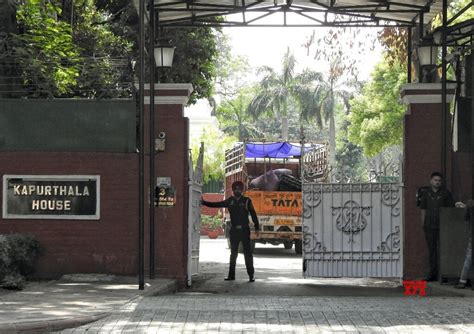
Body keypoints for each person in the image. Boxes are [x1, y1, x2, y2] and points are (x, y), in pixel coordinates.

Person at [201, 181, 260, 282]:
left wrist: (257, 228)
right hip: (234, 231)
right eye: (236, 189)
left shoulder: (247, 201)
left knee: (248, 254)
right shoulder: (230, 201)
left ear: (242, 190)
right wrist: (205, 203)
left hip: (245, 231)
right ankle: (231, 276)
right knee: (233, 254)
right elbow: (217, 204)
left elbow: (253, 214)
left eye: (239, 189)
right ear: (233, 190)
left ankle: (251, 276)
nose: (237, 191)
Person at [419, 172, 463, 281]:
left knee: (444, 250)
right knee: (432, 251)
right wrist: (423, 224)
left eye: (439, 180)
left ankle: (444, 275)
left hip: (443, 227)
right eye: (435, 180)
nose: (437, 182)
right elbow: (423, 209)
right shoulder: (426, 194)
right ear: (431, 181)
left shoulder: (446, 193)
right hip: (429, 226)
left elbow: (450, 209)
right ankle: (432, 275)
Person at [454, 200, 474, 289]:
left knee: (469, 258)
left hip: (472, 235)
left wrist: (465, 206)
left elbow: (466, 218)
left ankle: (462, 281)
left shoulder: (470, 204)